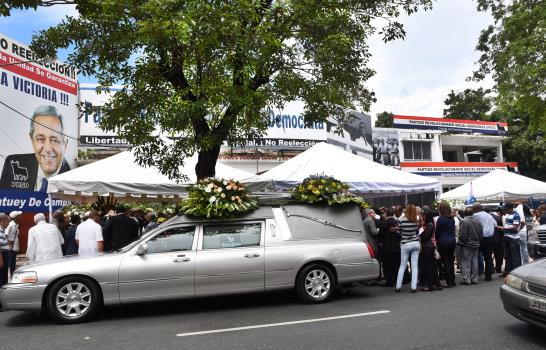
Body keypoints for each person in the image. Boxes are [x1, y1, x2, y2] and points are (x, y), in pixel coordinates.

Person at [0, 105, 71, 191]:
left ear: (65, 144)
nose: (48, 149)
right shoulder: (11, 163)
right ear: (32, 140)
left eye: (54, 140)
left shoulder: (74, 180)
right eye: (40, 139)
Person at [395, 204, 421, 293]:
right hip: (415, 243)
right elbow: (417, 232)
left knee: (402, 265)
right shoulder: (416, 220)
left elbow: (398, 233)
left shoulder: (401, 220)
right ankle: (413, 287)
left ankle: (398, 286)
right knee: (414, 266)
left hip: (405, 243)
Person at [458, 208, 483, 285]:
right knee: (474, 261)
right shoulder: (478, 222)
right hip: (476, 243)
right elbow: (481, 233)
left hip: (467, 244)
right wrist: (479, 241)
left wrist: (462, 242)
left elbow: (463, 234)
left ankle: (467, 279)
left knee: (466, 262)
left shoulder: (464, 221)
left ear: (465, 213)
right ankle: (474, 279)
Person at [472, 203, 497, 281]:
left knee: (475, 256)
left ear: (476, 209)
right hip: (489, 238)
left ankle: (475, 275)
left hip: (480, 238)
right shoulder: (489, 216)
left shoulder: (476, 215)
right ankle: (488, 276)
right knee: (488, 257)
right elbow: (495, 225)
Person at [436, 202, 457, 288]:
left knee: (445, 261)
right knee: (451, 260)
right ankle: (452, 280)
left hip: (443, 241)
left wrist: (437, 241)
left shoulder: (440, 219)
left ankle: (448, 281)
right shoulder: (452, 218)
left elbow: (438, 232)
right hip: (452, 241)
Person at [419, 210, 441, 291]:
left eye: (423, 216)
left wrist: (420, 230)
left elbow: (425, 237)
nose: (422, 217)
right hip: (430, 246)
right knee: (433, 266)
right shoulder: (430, 224)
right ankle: (437, 284)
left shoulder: (429, 225)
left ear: (426, 216)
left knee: (428, 267)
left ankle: (429, 285)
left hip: (427, 247)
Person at [379, 207, 400, 287]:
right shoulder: (397, 222)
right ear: (393, 214)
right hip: (396, 247)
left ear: (386, 214)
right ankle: (396, 280)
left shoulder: (384, 223)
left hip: (386, 248)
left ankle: (389, 281)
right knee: (396, 264)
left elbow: (380, 235)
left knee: (387, 265)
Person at [502, 203, 522, 276]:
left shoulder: (516, 215)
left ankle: (516, 273)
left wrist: (503, 228)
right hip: (508, 237)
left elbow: (515, 227)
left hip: (513, 238)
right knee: (507, 256)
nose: (505, 210)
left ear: (510, 208)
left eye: (506, 209)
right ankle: (507, 271)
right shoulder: (509, 215)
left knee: (515, 256)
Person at [6, 211, 22, 276]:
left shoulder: (15, 225)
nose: (20, 216)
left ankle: (12, 275)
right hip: (10, 247)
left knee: (13, 263)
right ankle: (10, 276)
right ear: (16, 217)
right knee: (10, 263)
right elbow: (5, 234)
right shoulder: (11, 225)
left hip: (14, 247)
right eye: (19, 215)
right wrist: (9, 242)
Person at [490, 206, 505, 273]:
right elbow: (503, 228)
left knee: (488, 254)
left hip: (489, 237)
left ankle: (491, 268)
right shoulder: (500, 217)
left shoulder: (489, 216)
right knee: (499, 255)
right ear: (499, 212)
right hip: (498, 238)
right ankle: (498, 268)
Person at [0, 214, 11, 286]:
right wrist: (1, 260)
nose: (8, 224)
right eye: (8, 222)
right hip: (2, 255)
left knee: (4, 275)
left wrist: (7, 242)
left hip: (5, 254)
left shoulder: (2, 230)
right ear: (3, 221)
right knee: (2, 276)